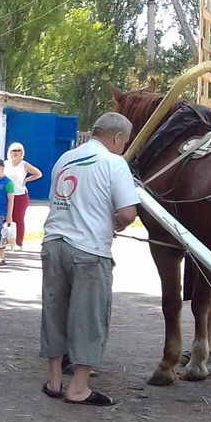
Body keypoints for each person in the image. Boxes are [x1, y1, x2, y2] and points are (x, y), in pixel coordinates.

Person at [40, 112, 139, 406]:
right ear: (117, 138)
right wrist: (117, 224)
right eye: (125, 141)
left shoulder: (65, 159)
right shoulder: (113, 162)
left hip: (54, 243)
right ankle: (79, 388)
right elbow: (127, 213)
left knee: (54, 310)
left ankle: (55, 380)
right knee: (89, 315)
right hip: (88, 250)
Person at [5, 142, 43, 251]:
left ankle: (18, 243)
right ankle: (8, 241)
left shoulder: (24, 164)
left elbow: (38, 173)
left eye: (18, 150)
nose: (16, 153)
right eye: (14, 150)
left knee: (19, 219)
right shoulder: (5, 164)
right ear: (10, 152)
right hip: (7, 195)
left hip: (20, 195)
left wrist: (26, 180)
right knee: (8, 218)